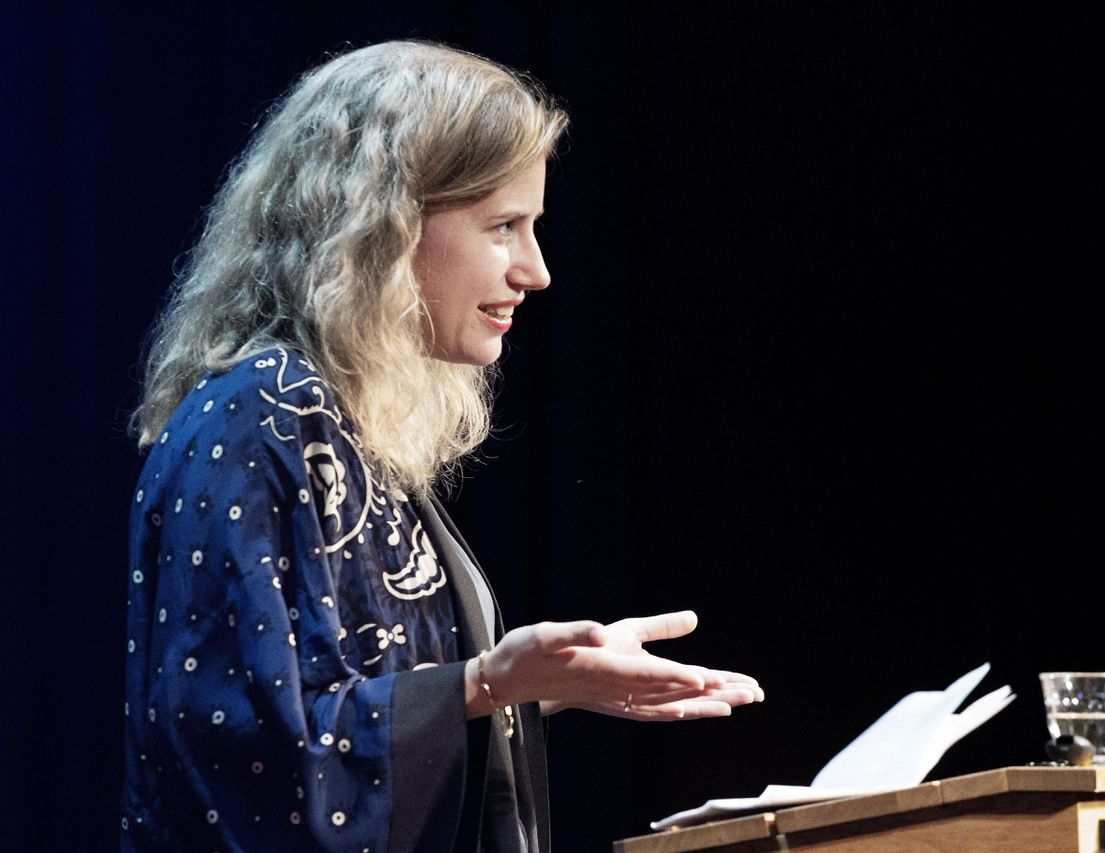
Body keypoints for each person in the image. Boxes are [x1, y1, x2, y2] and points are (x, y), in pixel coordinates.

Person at [121, 40, 762, 852]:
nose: (535, 269)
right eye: (503, 226)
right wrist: (489, 679)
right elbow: (244, 753)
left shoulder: (344, 420)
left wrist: (539, 683)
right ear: (383, 225)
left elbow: (367, 696)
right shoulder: (260, 419)